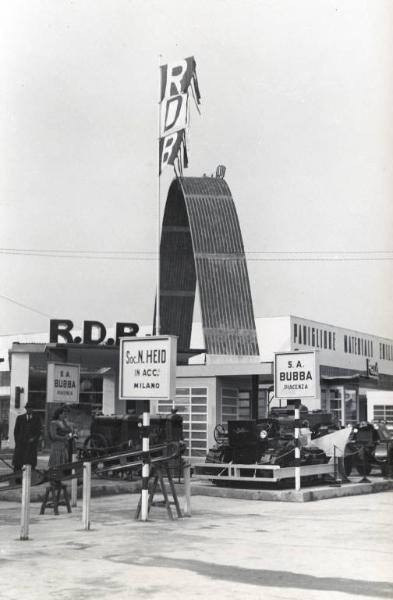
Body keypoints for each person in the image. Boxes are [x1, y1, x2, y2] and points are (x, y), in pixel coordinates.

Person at [12, 402, 42, 471]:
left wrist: (33, 439)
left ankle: (31, 479)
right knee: (18, 463)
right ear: (26, 409)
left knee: (30, 463)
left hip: (31, 446)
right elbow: (16, 432)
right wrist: (18, 442)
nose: (29, 410)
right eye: (28, 408)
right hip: (21, 445)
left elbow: (38, 432)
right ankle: (17, 479)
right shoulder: (20, 418)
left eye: (31, 408)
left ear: (32, 409)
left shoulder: (37, 419)